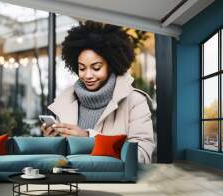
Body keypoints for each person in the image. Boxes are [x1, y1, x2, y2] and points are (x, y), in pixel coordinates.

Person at [41, 21, 155, 163]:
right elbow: (60, 161)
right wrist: (52, 142)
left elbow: (142, 156)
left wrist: (89, 138)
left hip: (112, 184)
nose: (88, 75)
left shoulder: (135, 101)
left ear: (111, 65)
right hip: (72, 183)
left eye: (96, 67)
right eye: (82, 68)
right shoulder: (65, 102)